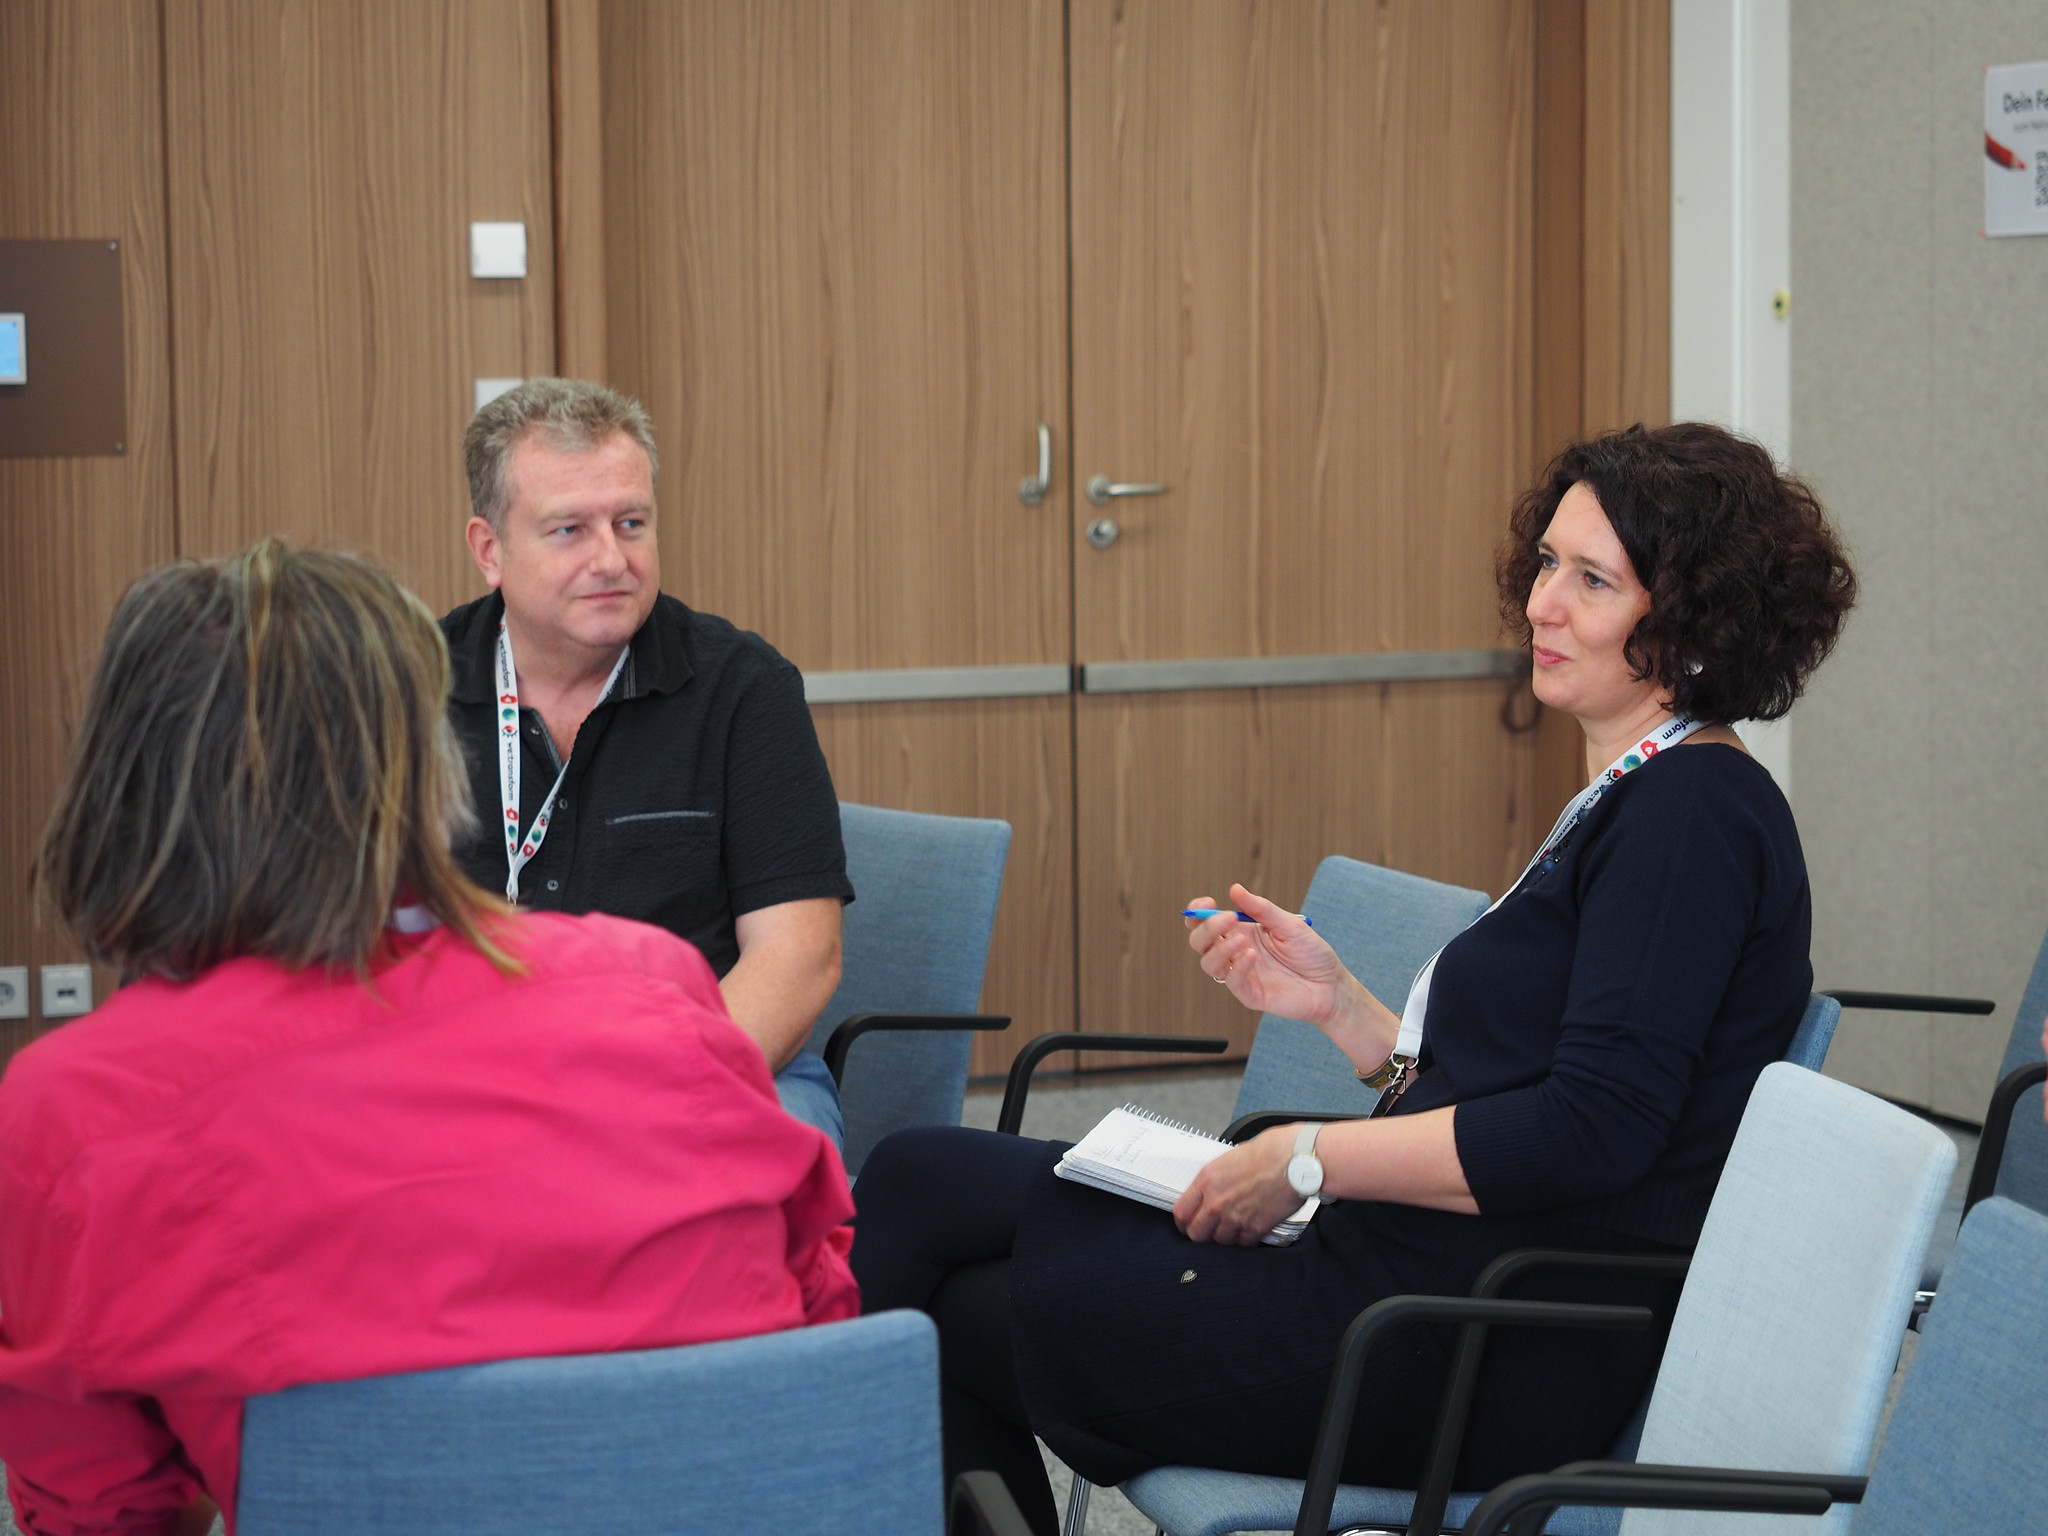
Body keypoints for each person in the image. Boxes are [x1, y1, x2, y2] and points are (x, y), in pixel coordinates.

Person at [850, 422, 1858, 1536]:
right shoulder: (1639, 793)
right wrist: (1341, 1009)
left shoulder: (1690, 819)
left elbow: (1592, 1131)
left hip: (1465, 1339)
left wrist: (1308, 1155)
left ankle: (777, 1475)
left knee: (942, 1290)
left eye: (1591, 581)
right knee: (917, 1181)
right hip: (1417, 1267)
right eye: (1545, 564)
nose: (1540, 604)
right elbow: (1509, 1081)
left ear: (1694, 619)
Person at [0, 543, 857, 1536]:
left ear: (126, 783)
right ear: (422, 760)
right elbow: (813, 1335)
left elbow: (101, 1505)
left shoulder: (71, 1112)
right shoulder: (655, 983)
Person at [443, 378, 855, 1142]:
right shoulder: (404, 687)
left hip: (710, 1063)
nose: (612, 559)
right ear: (489, 550)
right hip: (466, 1067)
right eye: (569, 530)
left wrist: (641, 1095)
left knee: (772, 1178)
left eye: (631, 523)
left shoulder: (743, 688)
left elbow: (799, 957)